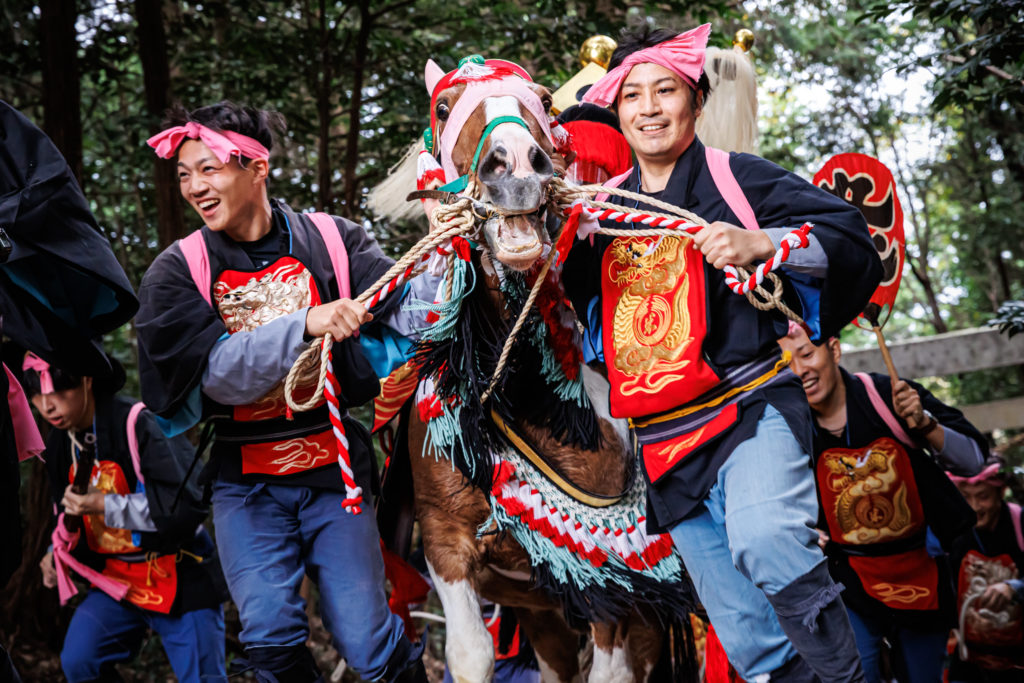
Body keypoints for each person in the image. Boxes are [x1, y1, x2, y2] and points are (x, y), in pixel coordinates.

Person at [562, 23, 883, 682]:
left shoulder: (738, 180)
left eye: (666, 91)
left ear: (697, 102)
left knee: (768, 541)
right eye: (632, 96)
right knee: (743, 630)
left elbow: (852, 238)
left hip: (747, 409)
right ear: (617, 111)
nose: (649, 108)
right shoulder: (598, 214)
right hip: (660, 442)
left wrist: (763, 241)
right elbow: (571, 311)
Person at [133, 102, 429, 683]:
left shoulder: (333, 240)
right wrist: (306, 323)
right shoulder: (177, 271)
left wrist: (456, 247)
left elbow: (411, 311)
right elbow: (217, 374)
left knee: (370, 642)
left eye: (209, 169)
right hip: (245, 485)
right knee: (268, 636)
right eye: (185, 174)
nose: (195, 186)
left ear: (256, 168)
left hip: (336, 476)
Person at [779, 324, 986, 683]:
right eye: (787, 363)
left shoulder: (886, 396)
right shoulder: (790, 426)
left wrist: (924, 424)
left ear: (834, 350)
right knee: (854, 674)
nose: (800, 371)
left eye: (807, 354)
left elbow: (973, 462)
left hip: (919, 575)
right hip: (851, 582)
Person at [25, 353, 227, 682]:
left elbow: (186, 506)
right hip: (115, 582)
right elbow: (66, 515)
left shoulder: (136, 422)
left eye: (61, 392)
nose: (48, 406)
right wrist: (53, 553)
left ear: (87, 381)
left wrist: (104, 505)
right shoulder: (60, 443)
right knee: (80, 661)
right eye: (38, 395)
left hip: (177, 572)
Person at [948, 457, 1024, 681]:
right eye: (965, 497)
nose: (973, 507)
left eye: (983, 497)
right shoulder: (953, 530)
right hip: (969, 658)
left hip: (1017, 659)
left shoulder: (1019, 522)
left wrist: (1015, 588)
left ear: (1001, 493)